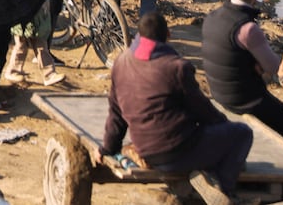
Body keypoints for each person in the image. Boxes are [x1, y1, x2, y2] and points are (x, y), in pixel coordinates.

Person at [102, 12, 253, 205]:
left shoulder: (121, 62)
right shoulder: (176, 67)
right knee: (242, 133)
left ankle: (200, 179)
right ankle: (224, 189)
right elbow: (204, 111)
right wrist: (223, 126)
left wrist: (108, 148)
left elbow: (116, 114)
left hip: (145, 150)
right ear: (168, 35)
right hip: (178, 151)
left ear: (137, 37)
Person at [201, 0, 283, 150]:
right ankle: (280, 174)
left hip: (218, 92)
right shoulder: (248, 28)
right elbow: (274, 67)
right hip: (245, 99)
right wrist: (256, 65)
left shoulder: (212, 17)